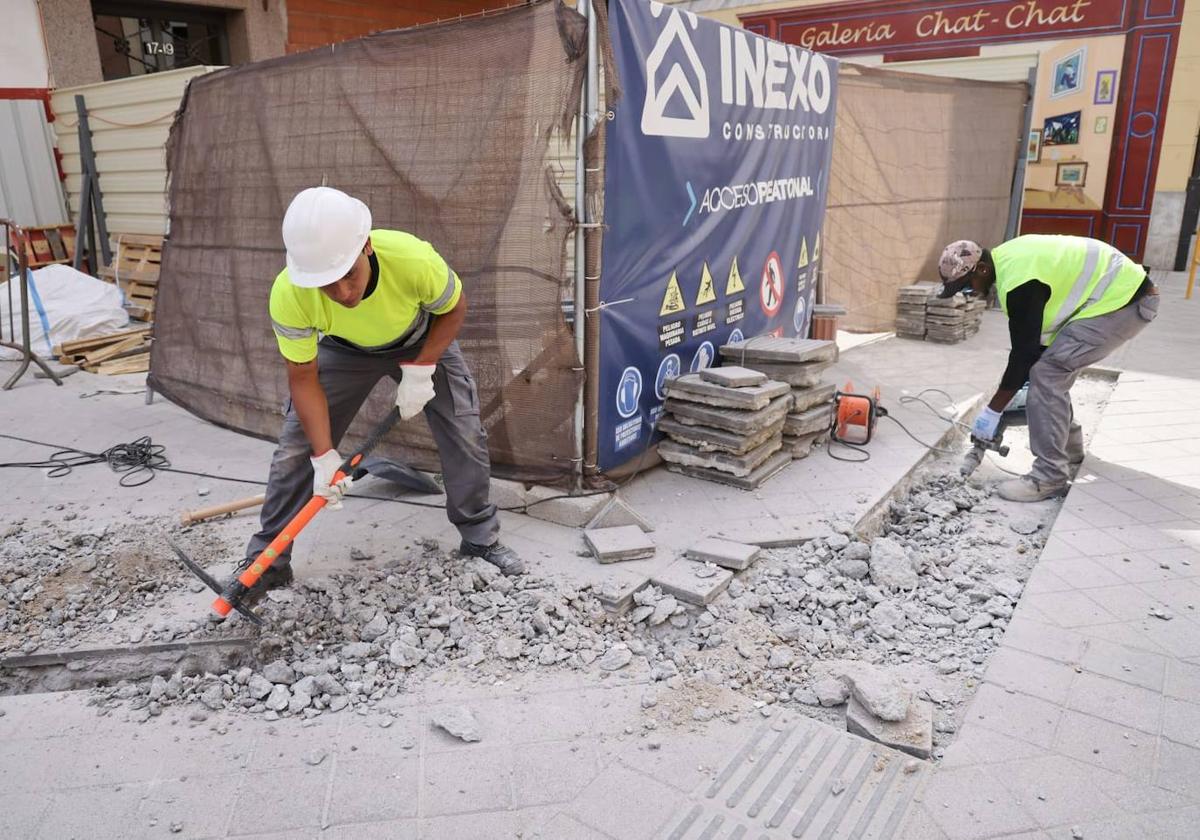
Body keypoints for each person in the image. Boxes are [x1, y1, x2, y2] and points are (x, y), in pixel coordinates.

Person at [239, 186, 524, 603]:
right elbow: (302, 377)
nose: (342, 294)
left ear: (367, 247)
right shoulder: (290, 293)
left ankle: (479, 536)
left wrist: (424, 368)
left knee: (463, 430)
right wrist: (322, 457)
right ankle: (268, 562)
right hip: (342, 349)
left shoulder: (411, 259)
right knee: (295, 449)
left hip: (419, 337)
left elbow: (454, 307)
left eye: (348, 276)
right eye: (326, 286)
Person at [937, 234, 1159, 502]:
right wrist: (1013, 393)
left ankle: (1048, 477)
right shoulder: (1009, 258)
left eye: (968, 287)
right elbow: (1032, 348)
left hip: (1123, 302)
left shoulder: (1018, 283)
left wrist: (993, 411)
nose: (970, 293)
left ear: (981, 269)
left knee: (1047, 375)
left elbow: (1023, 354)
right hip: (1118, 296)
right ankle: (1070, 448)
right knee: (1049, 369)